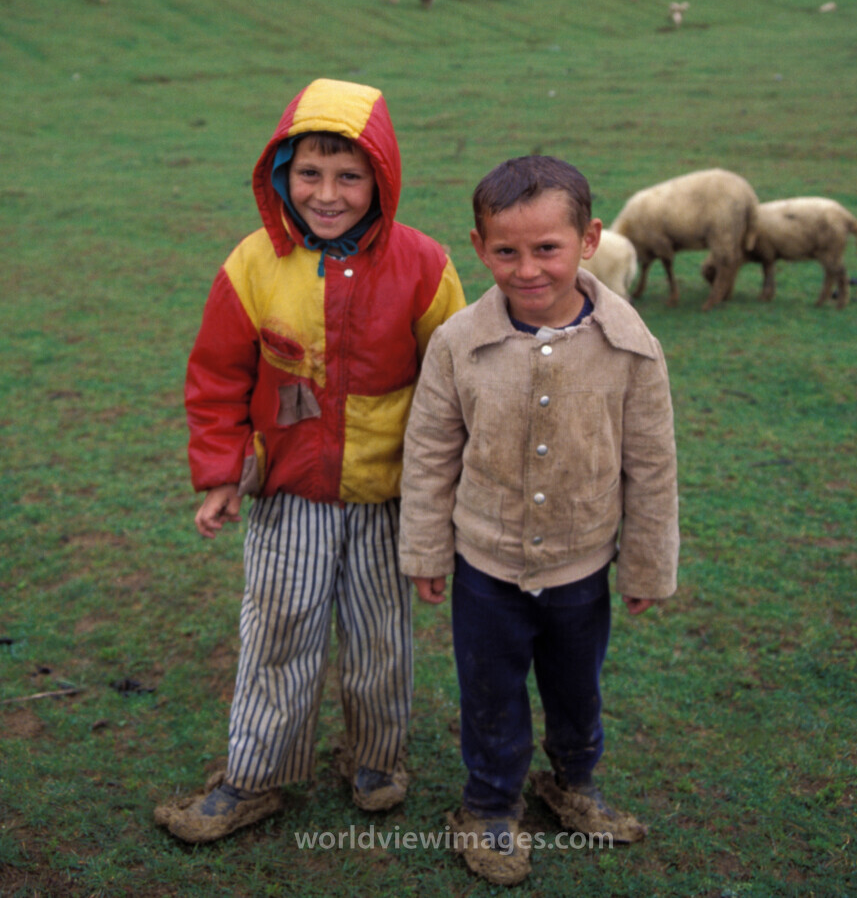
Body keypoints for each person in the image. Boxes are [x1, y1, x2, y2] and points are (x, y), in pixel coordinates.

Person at [154, 78, 465, 844]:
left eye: (349, 176)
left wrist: (447, 492)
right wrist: (224, 471)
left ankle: (375, 759)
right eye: (309, 174)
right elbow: (218, 375)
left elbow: (459, 380)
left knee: (379, 638)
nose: (327, 194)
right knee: (278, 632)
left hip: (387, 496)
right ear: (281, 173)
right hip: (290, 491)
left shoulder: (424, 264)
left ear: (381, 177)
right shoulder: (253, 264)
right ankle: (254, 776)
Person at [399, 155, 678, 884]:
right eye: (506, 251)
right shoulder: (457, 342)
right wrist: (427, 550)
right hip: (484, 567)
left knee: (576, 689)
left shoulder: (630, 344)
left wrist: (647, 565)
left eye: (546, 248)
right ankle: (488, 808)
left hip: (581, 568)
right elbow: (429, 451)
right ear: (478, 244)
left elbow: (650, 464)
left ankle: (571, 783)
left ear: (587, 240)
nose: (527, 269)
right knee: (489, 692)